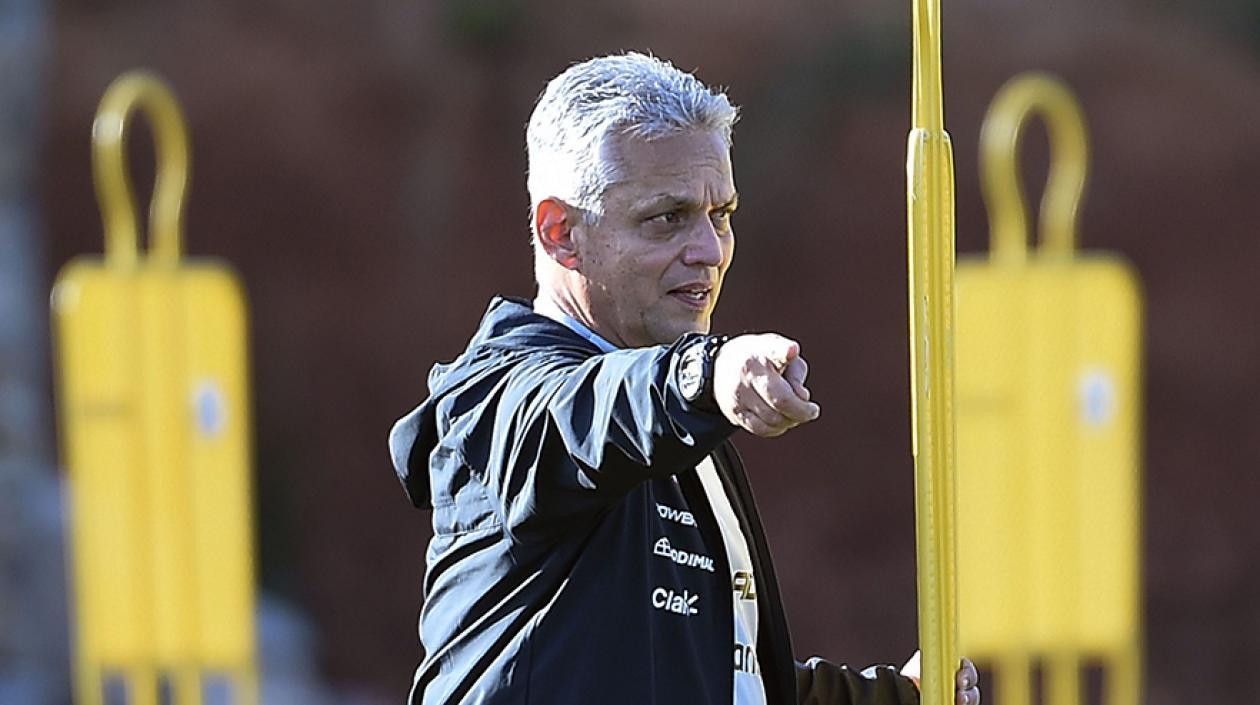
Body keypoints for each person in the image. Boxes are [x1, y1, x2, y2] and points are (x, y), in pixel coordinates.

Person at [389, 52, 980, 705]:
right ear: (561, 233)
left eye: (720, 213)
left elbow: (730, 678)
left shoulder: (685, 426)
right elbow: (587, 413)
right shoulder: (501, 399)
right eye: (666, 216)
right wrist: (711, 371)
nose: (710, 249)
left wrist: (899, 696)